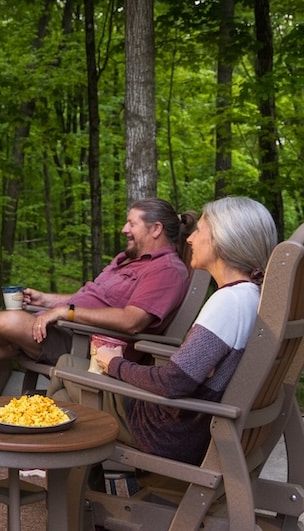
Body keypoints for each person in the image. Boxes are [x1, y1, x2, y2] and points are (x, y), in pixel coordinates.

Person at [0, 197, 195, 451]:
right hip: (69, 330)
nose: (124, 229)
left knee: (9, 321)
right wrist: (47, 300)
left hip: (91, 346)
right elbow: (87, 297)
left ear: (156, 229)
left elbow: (132, 320)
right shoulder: (126, 260)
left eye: (132, 223)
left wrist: (67, 313)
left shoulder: (167, 270)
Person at [57, 196, 278, 464]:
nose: (189, 239)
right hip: (192, 425)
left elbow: (174, 381)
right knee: (63, 396)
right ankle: (78, 477)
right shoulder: (252, 296)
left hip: (164, 430)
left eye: (199, 231)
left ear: (221, 240)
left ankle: (58, 474)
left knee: (66, 366)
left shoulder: (229, 302)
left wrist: (113, 363)